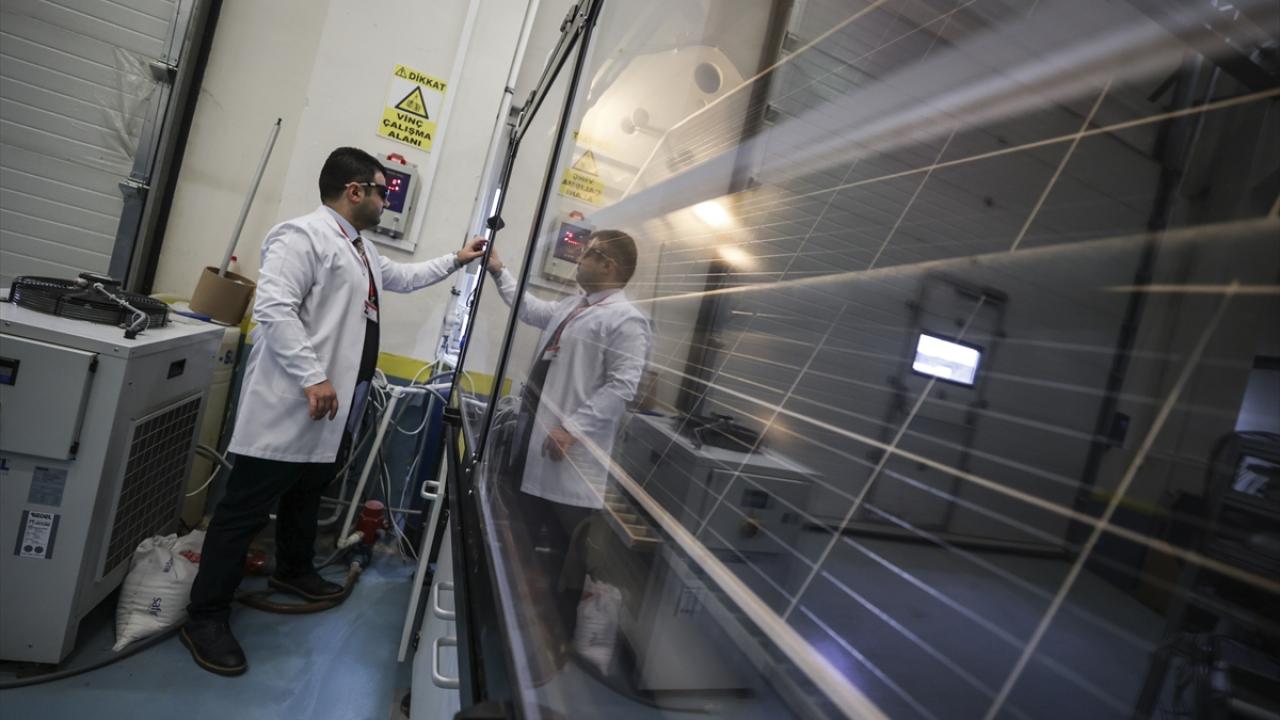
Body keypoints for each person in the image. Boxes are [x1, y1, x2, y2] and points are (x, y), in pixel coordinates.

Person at [181, 147, 486, 676]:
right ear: (355, 191)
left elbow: (404, 277)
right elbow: (274, 308)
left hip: (330, 412)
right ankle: (204, 616)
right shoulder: (302, 236)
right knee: (241, 513)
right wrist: (312, 376)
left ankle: (293, 570)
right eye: (382, 191)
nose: (387, 201)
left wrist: (457, 259)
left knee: (305, 497)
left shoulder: (360, 250)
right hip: (292, 404)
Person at [483, 229, 650, 666]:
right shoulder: (575, 306)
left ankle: (550, 650)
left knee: (560, 559)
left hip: (570, 464)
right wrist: (499, 272)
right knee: (520, 546)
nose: (579, 258)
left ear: (608, 265)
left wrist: (571, 429)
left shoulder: (626, 320)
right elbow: (530, 309)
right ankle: (509, 634)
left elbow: (623, 387)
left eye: (588, 253)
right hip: (535, 447)